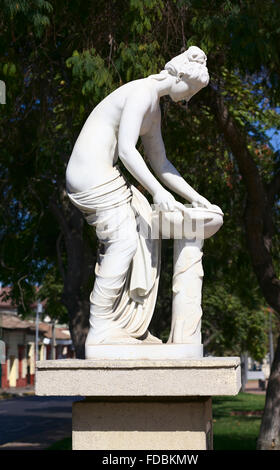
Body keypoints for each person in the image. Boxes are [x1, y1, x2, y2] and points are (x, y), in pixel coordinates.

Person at [66, 46, 216, 348]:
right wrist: (159, 194)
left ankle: (126, 325)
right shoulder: (141, 93)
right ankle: (100, 327)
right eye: (192, 90)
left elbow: (161, 163)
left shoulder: (153, 107)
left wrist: (197, 197)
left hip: (101, 173)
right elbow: (126, 150)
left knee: (140, 234)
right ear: (181, 76)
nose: (188, 99)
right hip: (90, 174)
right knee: (123, 242)